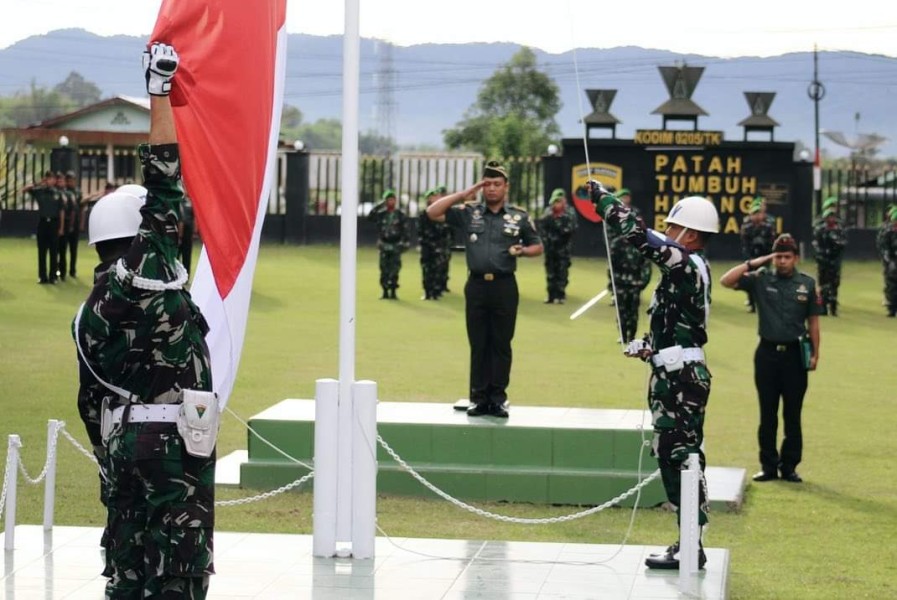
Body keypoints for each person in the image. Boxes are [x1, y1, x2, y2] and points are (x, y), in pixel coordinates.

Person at [71, 42, 216, 599]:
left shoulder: (91, 309)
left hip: (122, 446)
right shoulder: (142, 272)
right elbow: (164, 185)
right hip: (171, 448)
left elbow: (88, 402)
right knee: (177, 574)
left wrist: (114, 455)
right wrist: (159, 92)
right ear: (140, 235)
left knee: (128, 570)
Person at [591, 183, 718, 570]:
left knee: (681, 457)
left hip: (682, 381)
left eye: (674, 227)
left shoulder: (684, 263)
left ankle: (691, 545)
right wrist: (650, 347)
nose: (668, 233)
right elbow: (679, 327)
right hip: (671, 374)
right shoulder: (681, 269)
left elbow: (639, 236)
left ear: (691, 234)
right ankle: (688, 543)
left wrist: (607, 203)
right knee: (671, 456)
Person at [427, 160, 542, 418]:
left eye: (496, 184)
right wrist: (464, 193)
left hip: (504, 286)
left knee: (501, 344)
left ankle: (498, 399)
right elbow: (433, 212)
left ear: (506, 188)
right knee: (478, 343)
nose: (491, 189)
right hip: (477, 285)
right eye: (487, 184)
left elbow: (537, 245)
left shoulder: (518, 216)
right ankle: (478, 398)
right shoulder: (470, 212)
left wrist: (522, 251)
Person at [720, 233, 823, 484]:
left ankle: (789, 467)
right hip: (766, 355)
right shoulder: (760, 279)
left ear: (796, 258)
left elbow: (813, 322)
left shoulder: (807, 285)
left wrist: (816, 354)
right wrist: (757, 261)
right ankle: (768, 466)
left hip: (795, 355)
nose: (782, 261)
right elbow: (726, 280)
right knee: (767, 413)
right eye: (778, 256)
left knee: (792, 414)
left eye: (787, 257)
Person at [23, 170, 64, 284]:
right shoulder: (39, 191)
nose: (50, 181)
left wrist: (61, 227)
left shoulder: (58, 193)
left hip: (54, 224)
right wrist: (37, 184)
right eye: (48, 178)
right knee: (42, 251)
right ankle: (42, 276)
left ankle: (53, 277)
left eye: (52, 178)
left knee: (53, 251)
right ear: (45, 179)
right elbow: (24, 189)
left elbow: (61, 211)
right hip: (43, 223)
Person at [538, 187, 577, 304]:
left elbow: (571, 229)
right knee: (550, 271)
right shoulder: (548, 212)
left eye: (559, 201)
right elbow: (542, 226)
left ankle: (560, 295)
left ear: (564, 201)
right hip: (550, 248)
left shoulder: (569, 212)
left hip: (563, 248)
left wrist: (559, 219)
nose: (556, 204)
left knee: (562, 271)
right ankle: (551, 295)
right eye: (555, 201)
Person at [368, 188, 409, 299]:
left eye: (392, 199)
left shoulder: (400, 215)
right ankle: (385, 291)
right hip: (384, 245)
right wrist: (379, 205)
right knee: (384, 269)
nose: (390, 202)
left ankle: (393, 292)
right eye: (388, 200)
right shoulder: (381, 214)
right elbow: (370, 216)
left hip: (396, 244)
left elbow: (405, 230)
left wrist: (405, 243)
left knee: (395, 269)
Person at [811, 197, 847, 316]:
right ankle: (822, 307)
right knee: (823, 284)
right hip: (823, 260)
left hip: (834, 260)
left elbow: (843, 243)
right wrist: (820, 256)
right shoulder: (820, 228)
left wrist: (837, 244)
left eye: (833, 215)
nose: (831, 218)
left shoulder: (839, 228)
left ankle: (833, 307)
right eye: (829, 216)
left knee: (834, 283)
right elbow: (816, 244)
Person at [739, 197, 775, 312]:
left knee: (764, 280)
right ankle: (752, 303)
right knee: (751, 280)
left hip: (764, 257)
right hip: (751, 258)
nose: (757, 216)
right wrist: (749, 260)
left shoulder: (768, 227)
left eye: (759, 213)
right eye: (754, 214)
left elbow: (771, 243)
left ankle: (763, 304)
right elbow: (745, 245)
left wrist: (764, 247)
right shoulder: (747, 227)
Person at [418, 188, 451, 300]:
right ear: (429, 199)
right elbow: (420, 230)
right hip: (427, 245)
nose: (436, 198)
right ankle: (427, 291)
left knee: (438, 268)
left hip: (439, 245)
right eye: (433, 197)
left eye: (437, 196)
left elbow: (448, 229)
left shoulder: (444, 213)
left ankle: (436, 291)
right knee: (427, 269)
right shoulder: (424, 213)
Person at [57, 171, 83, 279]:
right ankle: (61, 270)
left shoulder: (77, 192)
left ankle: (73, 270)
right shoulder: (64, 192)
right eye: (68, 181)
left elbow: (81, 208)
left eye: (72, 180)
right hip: (66, 223)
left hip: (75, 223)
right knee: (62, 248)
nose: (70, 183)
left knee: (73, 248)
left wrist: (81, 223)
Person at [877, 204, 897, 317]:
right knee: (891, 285)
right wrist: (888, 262)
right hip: (892, 262)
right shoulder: (888, 232)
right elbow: (884, 248)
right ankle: (891, 308)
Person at [179, 194, 196, 276]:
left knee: (187, 255)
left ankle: (186, 275)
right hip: (178, 233)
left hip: (188, 232)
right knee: (176, 255)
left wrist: (194, 231)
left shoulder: (191, 201)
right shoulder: (179, 200)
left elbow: (195, 217)